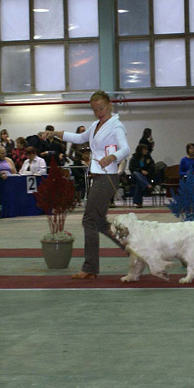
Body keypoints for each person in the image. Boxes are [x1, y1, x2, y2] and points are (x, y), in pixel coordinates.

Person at [43, 91, 130, 280]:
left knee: (89, 221)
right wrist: (55, 133)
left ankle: (90, 268)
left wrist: (112, 157)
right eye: (95, 109)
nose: (98, 112)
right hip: (98, 177)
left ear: (110, 105)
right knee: (99, 223)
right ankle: (134, 248)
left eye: (101, 108)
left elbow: (126, 149)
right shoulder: (97, 125)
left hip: (106, 178)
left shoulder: (116, 126)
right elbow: (79, 138)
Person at [128, 144, 155, 209]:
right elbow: (131, 168)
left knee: (139, 183)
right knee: (136, 173)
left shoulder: (148, 158)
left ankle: (138, 203)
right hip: (135, 176)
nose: (146, 151)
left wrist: (147, 172)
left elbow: (152, 166)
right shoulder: (134, 158)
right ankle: (147, 185)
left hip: (145, 176)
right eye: (145, 150)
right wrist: (141, 171)